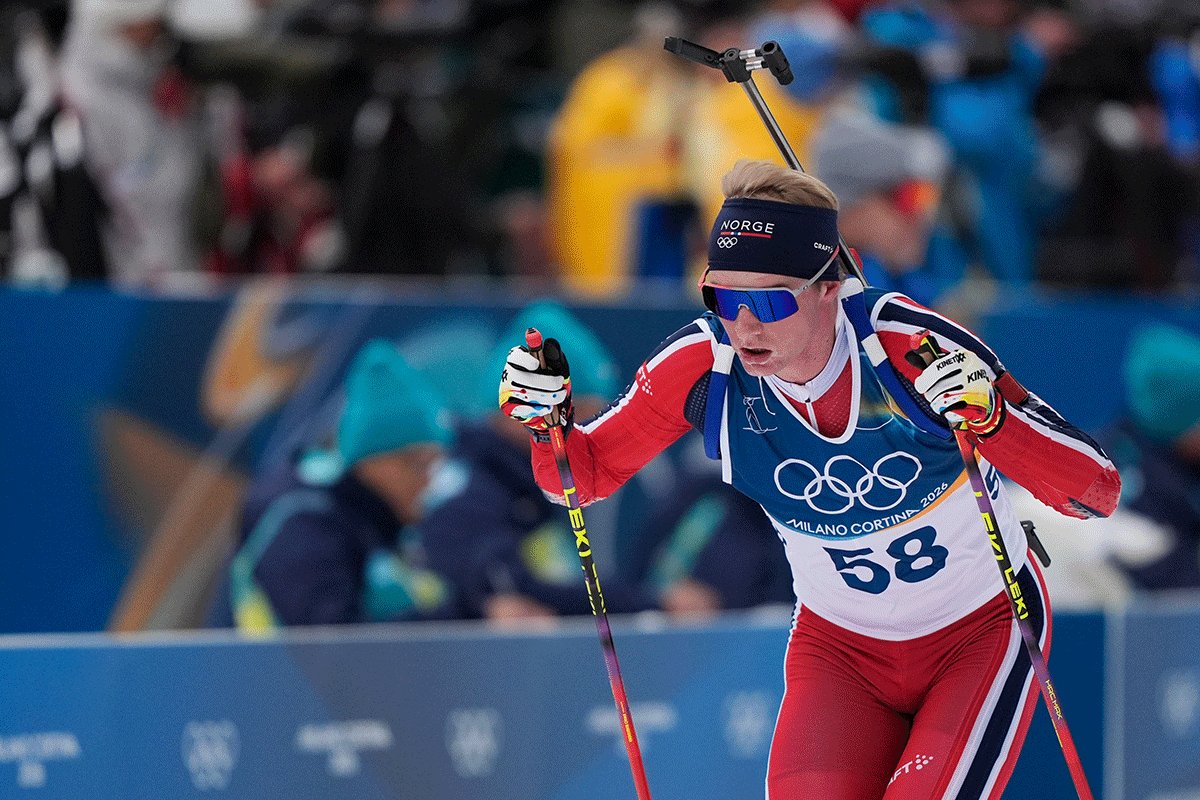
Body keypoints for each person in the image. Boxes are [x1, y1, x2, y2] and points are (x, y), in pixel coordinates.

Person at [498, 159, 1121, 799]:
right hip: (840, 651)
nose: (743, 325)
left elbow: (1094, 492)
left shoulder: (907, 348)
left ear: (829, 288)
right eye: (723, 297)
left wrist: (991, 420)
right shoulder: (704, 365)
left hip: (979, 632)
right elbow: (581, 479)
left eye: (768, 300)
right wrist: (547, 423)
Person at [420, 301, 725, 622]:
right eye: (575, 420)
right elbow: (518, 593)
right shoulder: (471, 488)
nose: (585, 441)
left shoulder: (518, 486)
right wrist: (650, 602)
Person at [216, 339, 454, 631]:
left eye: (435, 464)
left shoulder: (380, 525)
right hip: (271, 677)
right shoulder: (303, 523)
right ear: (373, 461)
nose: (429, 479)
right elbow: (334, 646)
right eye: (418, 463)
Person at [813, 111, 953, 307]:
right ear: (854, 209)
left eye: (925, 199)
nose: (919, 218)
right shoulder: (828, 294)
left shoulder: (905, 278)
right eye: (908, 200)